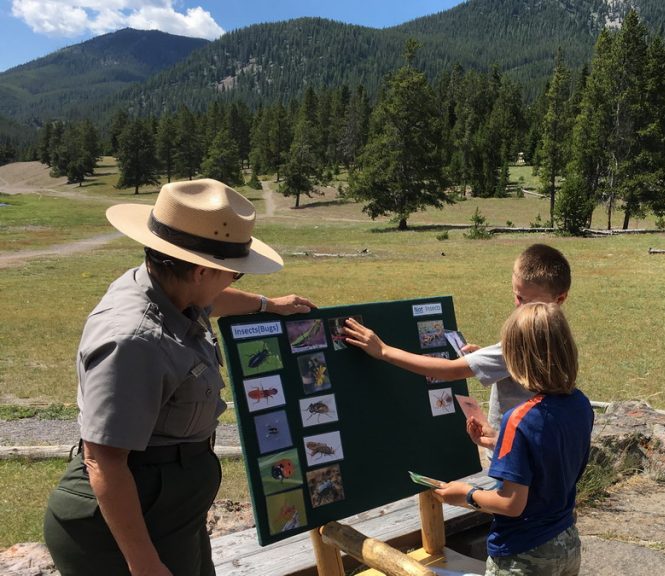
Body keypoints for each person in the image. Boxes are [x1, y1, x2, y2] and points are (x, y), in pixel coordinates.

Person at [43, 179, 315, 576]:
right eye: (234, 274)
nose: (234, 281)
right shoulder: (133, 340)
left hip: (169, 515)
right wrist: (145, 564)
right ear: (202, 271)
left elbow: (211, 301)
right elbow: (103, 461)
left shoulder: (170, 288)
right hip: (115, 533)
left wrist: (268, 305)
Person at [343, 243, 571, 450]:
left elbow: (451, 371)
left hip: (511, 452)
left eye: (525, 300)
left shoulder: (519, 342)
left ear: (559, 298)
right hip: (538, 445)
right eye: (516, 295)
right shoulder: (559, 335)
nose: (517, 304)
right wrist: (486, 357)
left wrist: (383, 350)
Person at [435, 302, 593, 575]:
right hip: (566, 542)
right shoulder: (580, 404)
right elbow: (551, 454)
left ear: (517, 358)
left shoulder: (518, 419)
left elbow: (511, 504)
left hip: (523, 553)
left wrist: (467, 495)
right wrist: (499, 441)